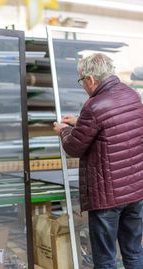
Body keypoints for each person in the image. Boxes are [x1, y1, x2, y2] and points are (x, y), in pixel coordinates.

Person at [53, 53, 143, 269]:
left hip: (107, 197)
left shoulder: (93, 106)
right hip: (136, 191)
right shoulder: (131, 95)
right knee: (133, 252)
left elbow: (74, 147)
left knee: (105, 258)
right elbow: (114, 124)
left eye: (81, 80)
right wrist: (79, 122)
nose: (83, 85)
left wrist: (64, 131)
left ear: (91, 79)